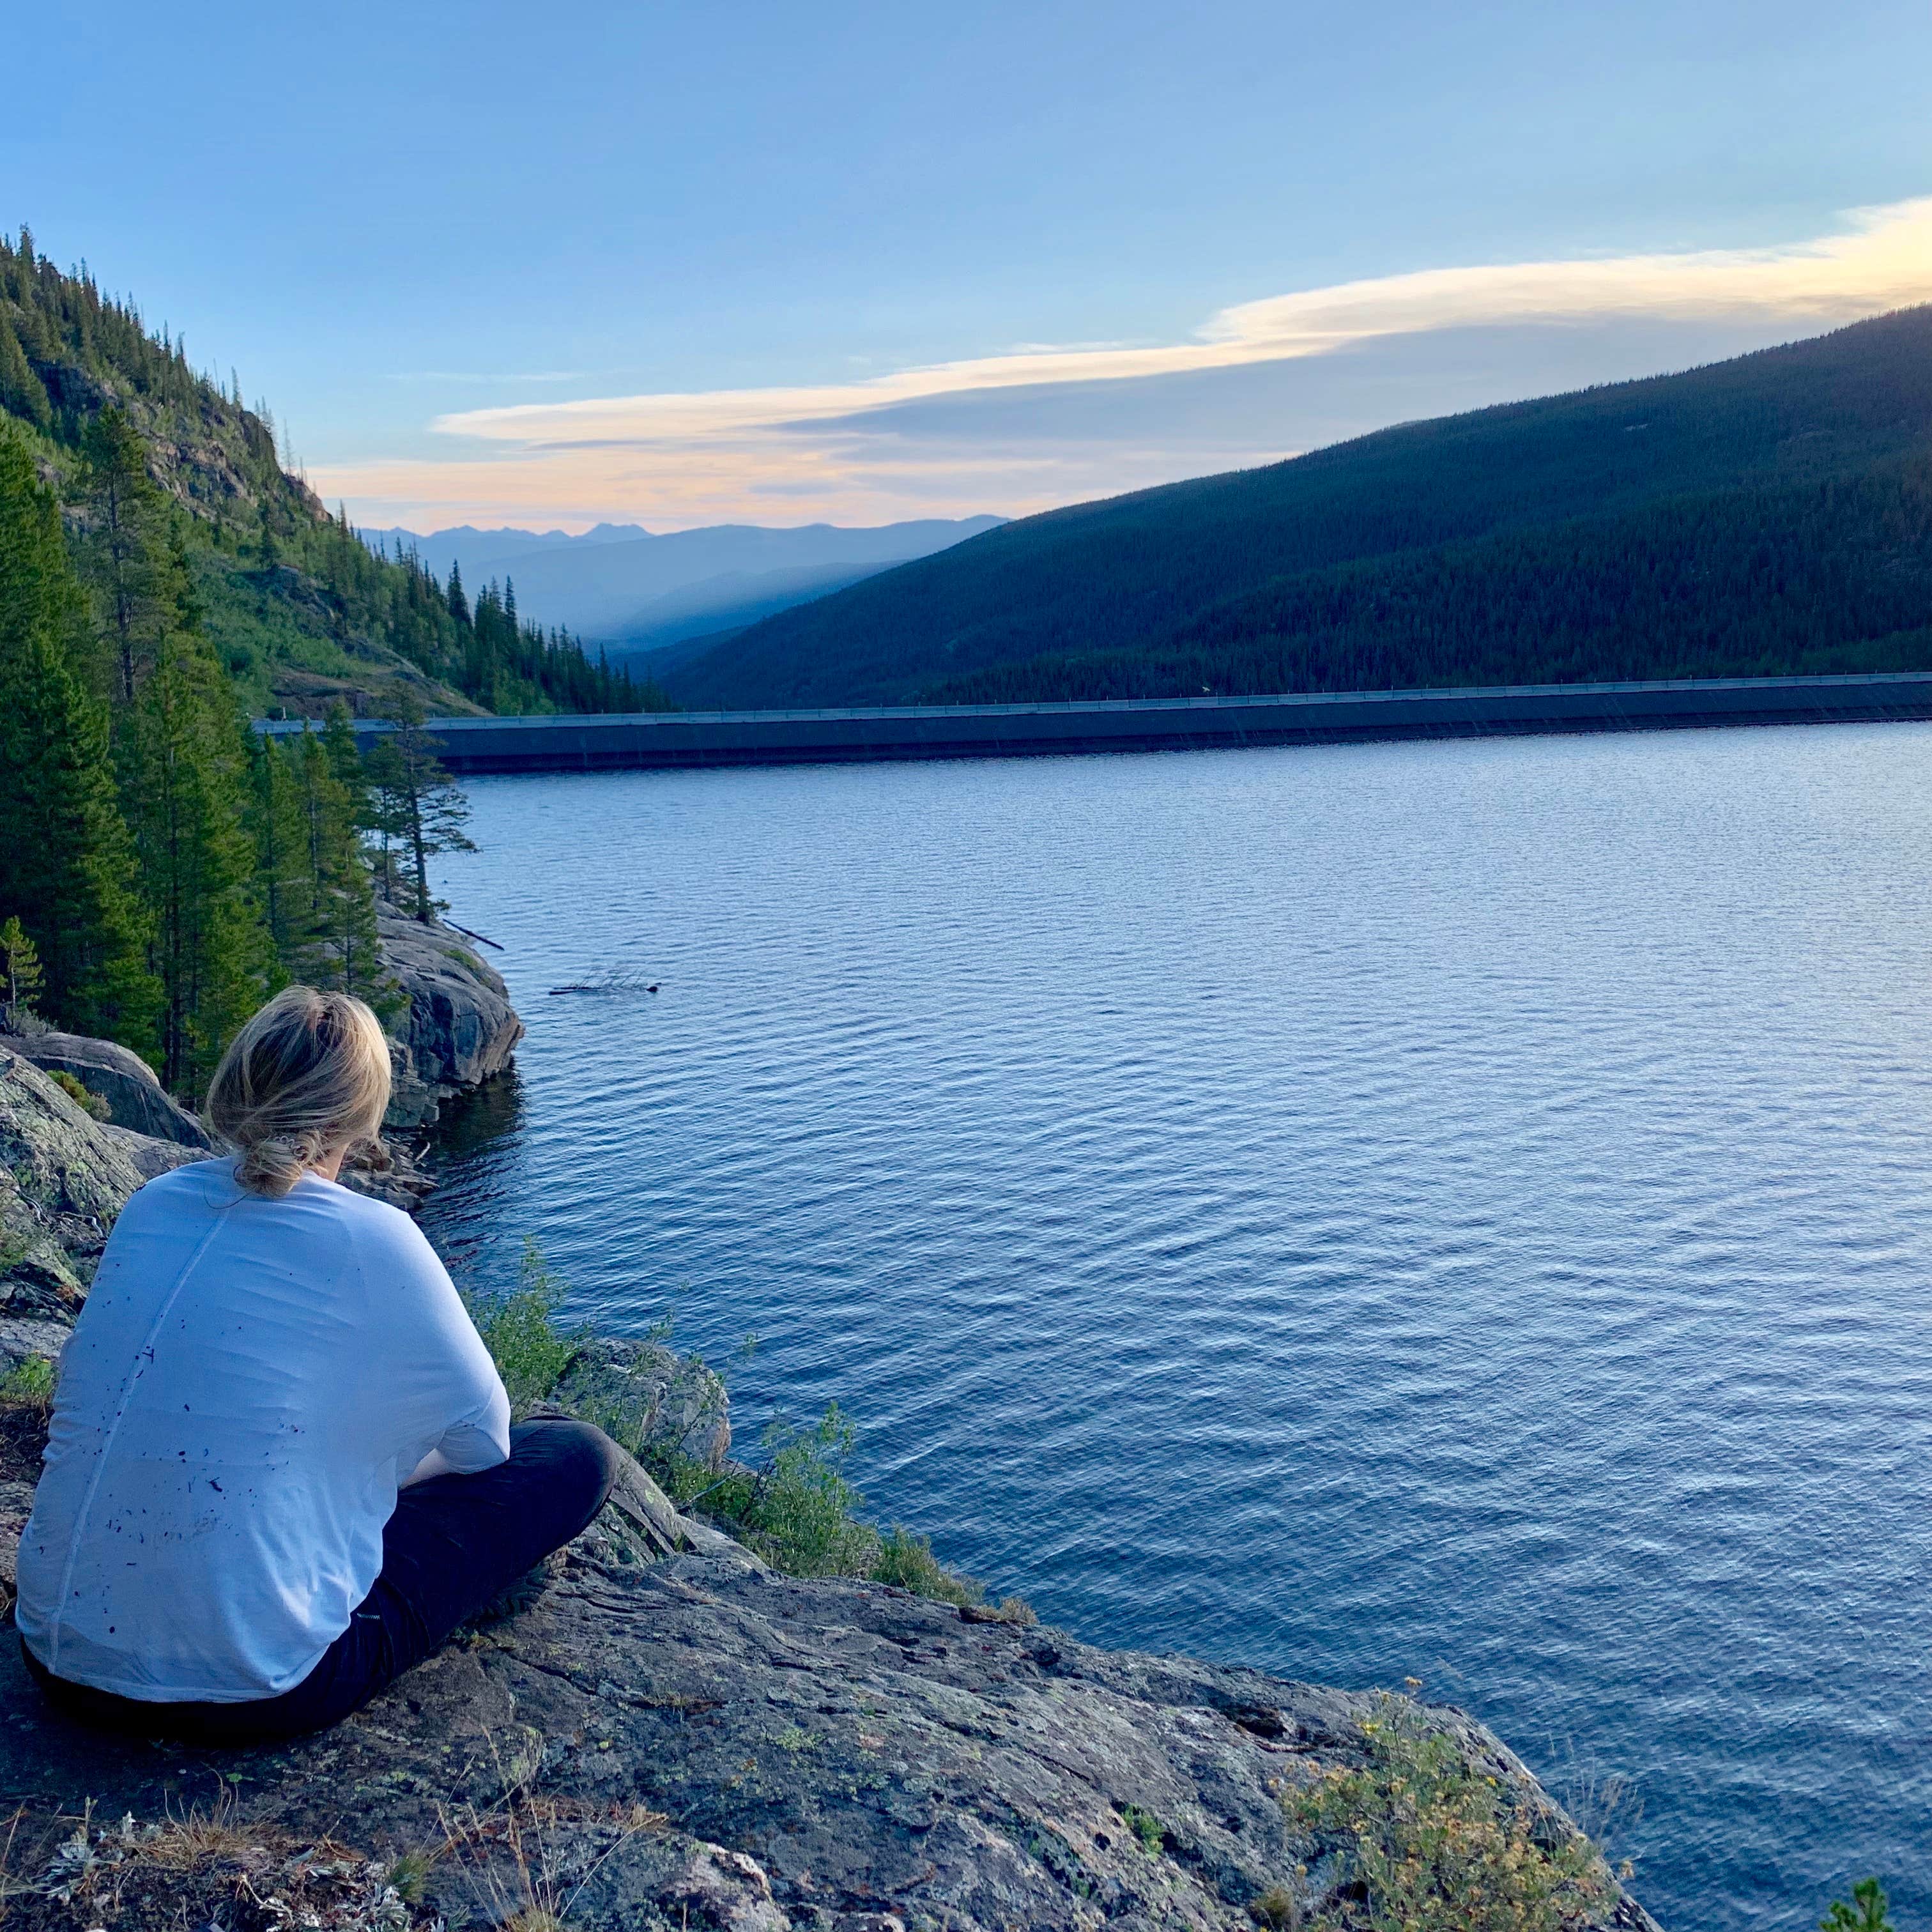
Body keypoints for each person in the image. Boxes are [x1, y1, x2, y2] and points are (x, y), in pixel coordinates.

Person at [15, 986, 622, 1745]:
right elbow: (484, 1444)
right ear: (361, 1116)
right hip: (253, 1687)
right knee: (573, 1456)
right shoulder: (377, 1239)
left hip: (58, 1653)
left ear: (238, 1085)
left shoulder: (155, 1203)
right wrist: (375, 1468)